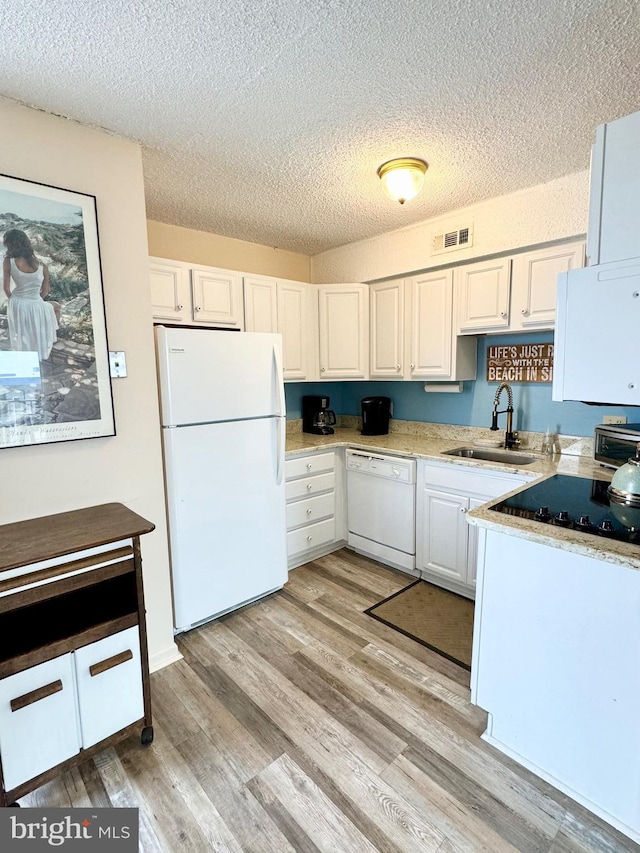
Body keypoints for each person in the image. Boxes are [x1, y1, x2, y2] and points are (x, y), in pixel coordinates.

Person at [3, 228, 59, 360]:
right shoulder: (43, 266)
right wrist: (35, 302)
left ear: (10, 244)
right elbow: (45, 291)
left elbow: (6, 289)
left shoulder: (8, 261)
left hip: (17, 303)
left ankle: (24, 359)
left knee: (21, 334)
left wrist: (16, 301)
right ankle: (50, 338)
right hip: (35, 303)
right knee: (56, 306)